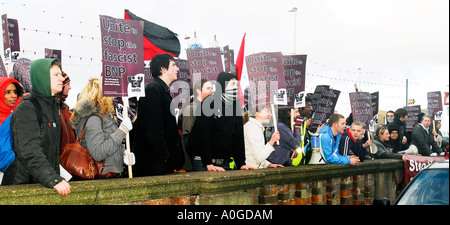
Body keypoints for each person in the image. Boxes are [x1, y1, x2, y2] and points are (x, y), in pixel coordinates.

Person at [1, 58, 71, 196]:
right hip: (22, 186)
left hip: (42, 184)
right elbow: (28, 150)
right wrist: (52, 179)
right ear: (42, 77)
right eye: (56, 75)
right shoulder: (27, 108)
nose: (61, 79)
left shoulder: (52, 107)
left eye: (60, 74)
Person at [188, 72, 256, 171]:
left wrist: (241, 163)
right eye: (232, 84)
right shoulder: (209, 103)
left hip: (225, 163)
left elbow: (238, 136)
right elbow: (203, 134)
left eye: (237, 85)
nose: (235, 88)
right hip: (204, 164)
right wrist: (208, 163)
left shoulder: (235, 106)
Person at [70, 77, 134, 179]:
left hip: (108, 173)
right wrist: (121, 131)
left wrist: (122, 155)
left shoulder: (104, 116)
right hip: (101, 176)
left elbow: (108, 145)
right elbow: (98, 152)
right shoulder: (93, 119)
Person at [133, 54, 185, 176]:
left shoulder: (161, 90)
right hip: (154, 167)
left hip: (161, 165)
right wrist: (165, 157)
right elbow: (153, 130)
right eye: (173, 65)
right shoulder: (153, 90)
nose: (177, 69)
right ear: (163, 69)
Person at [59, 72, 76, 154]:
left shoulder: (65, 109)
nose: (70, 87)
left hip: (69, 157)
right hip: (60, 160)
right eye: (67, 84)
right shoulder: (54, 109)